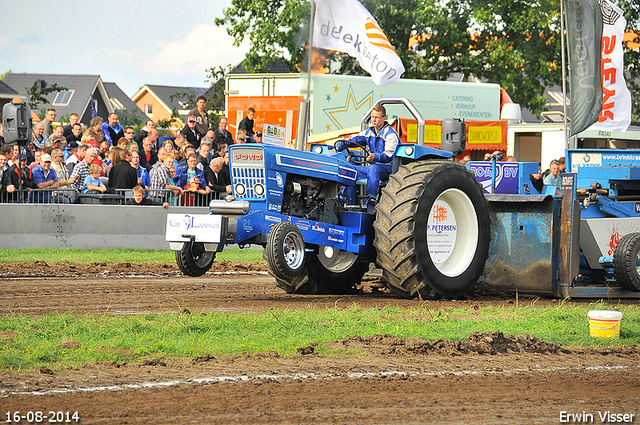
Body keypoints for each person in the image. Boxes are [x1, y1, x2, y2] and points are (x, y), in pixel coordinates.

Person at [332, 104, 399, 213]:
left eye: (377, 117)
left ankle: (372, 201)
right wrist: (337, 147)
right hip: (374, 167)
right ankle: (342, 200)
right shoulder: (369, 132)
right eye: (372, 117)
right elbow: (352, 140)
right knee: (348, 169)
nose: (374, 119)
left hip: (389, 169)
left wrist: (375, 156)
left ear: (384, 118)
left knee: (373, 168)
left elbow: (389, 155)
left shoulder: (391, 135)